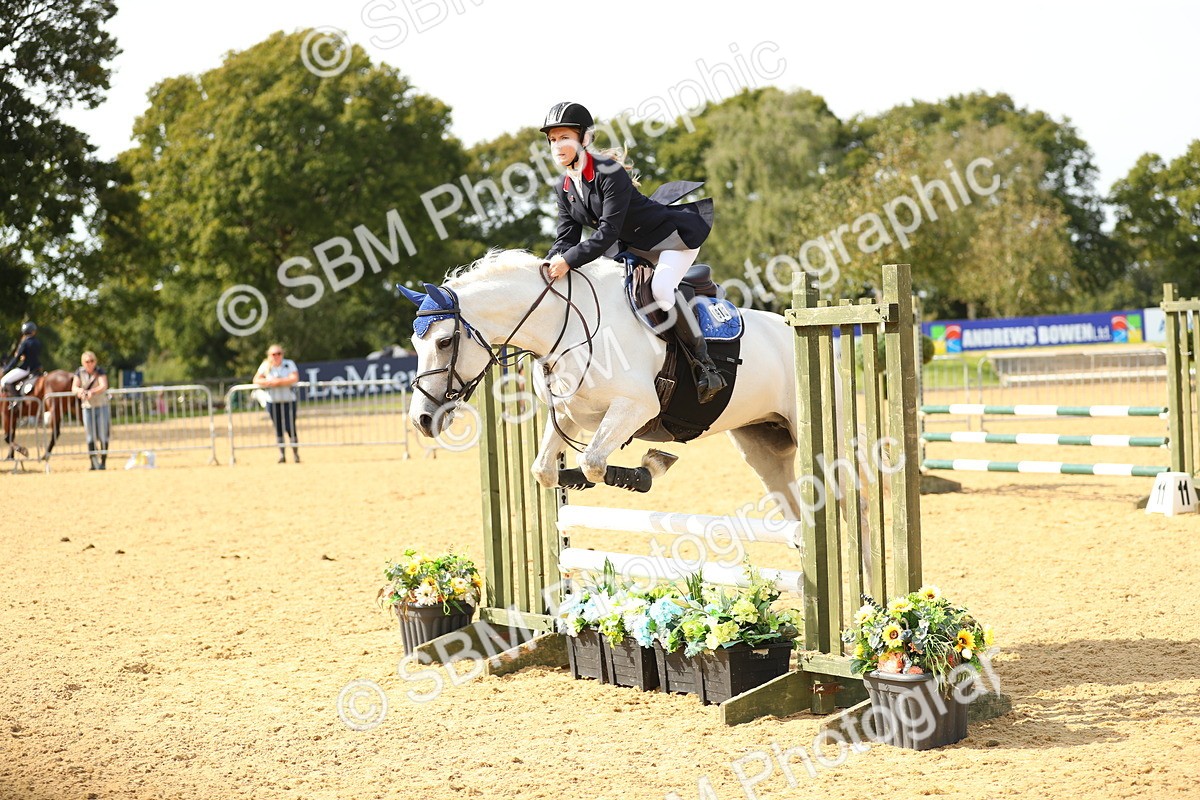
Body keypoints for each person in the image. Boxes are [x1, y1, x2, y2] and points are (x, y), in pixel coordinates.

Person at [541, 101, 727, 403]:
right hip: (630, 248)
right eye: (552, 140)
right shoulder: (563, 187)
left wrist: (568, 260)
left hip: (670, 239)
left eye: (564, 137)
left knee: (662, 290)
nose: (557, 145)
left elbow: (607, 232)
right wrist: (548, 264)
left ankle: (706, 366)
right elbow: (566, 237)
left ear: (584, 139)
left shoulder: (608, 172)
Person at [254, 344, 301, 463]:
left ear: (282, 354)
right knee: (278, 428)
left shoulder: (288, 364)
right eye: (274, 354)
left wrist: (278, 382)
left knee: (290, 427)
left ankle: (295, 455)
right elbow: (256, 379)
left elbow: (294, 378)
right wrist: (268, 382)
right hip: (273, 402)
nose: (276, 356)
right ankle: (282, 455)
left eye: (279, 353)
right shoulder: (265, 366)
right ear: (269, 355)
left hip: (289, 401)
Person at [72, 351, 110, 470]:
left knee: (103, 434)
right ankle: (93, 462)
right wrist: (80, 391)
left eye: (92, 361)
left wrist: (92, 392)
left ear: (95, 361)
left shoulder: (100, 371)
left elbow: (104, 386)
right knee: (90, 436)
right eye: (87, 361)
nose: (90, 363)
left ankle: (103, 462)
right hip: (87, 407)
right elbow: (74, 387)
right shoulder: (79, 372)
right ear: (83, 362)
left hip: (101, 406)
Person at [1, 321, 42, 397]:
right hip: (37, 368)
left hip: (26, 369)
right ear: (33, 331)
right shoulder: (38, 342)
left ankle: (17, 400)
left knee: (5, 381)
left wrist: (7, 369)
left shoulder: (25, 343)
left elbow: (16, 358)